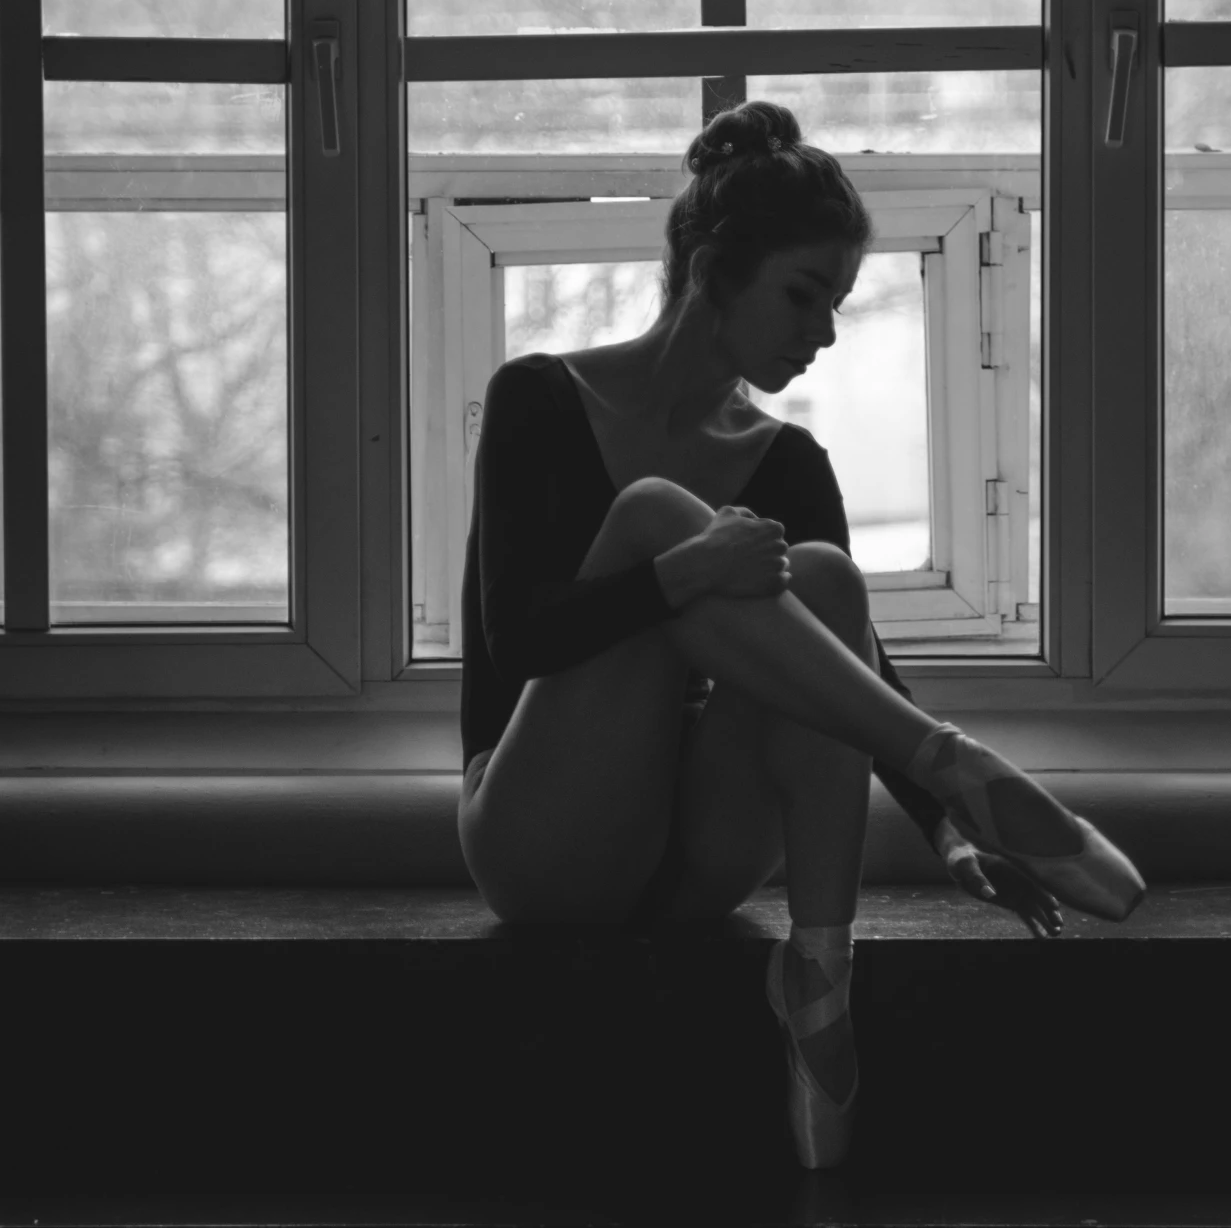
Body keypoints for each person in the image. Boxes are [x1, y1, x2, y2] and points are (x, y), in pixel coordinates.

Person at [457, 100, 1144, 1170]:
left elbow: (850, 670)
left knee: (821, 577)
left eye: (835, 303)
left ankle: (820, 981)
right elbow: (519, 643)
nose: (822, 332)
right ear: (714, 268)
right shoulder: (541, 399)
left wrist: (948, 837)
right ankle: (957, 762)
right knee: (653, 511)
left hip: (702, 859)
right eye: (803, 293)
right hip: (544, 840)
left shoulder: (785, 461)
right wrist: (683, 572)